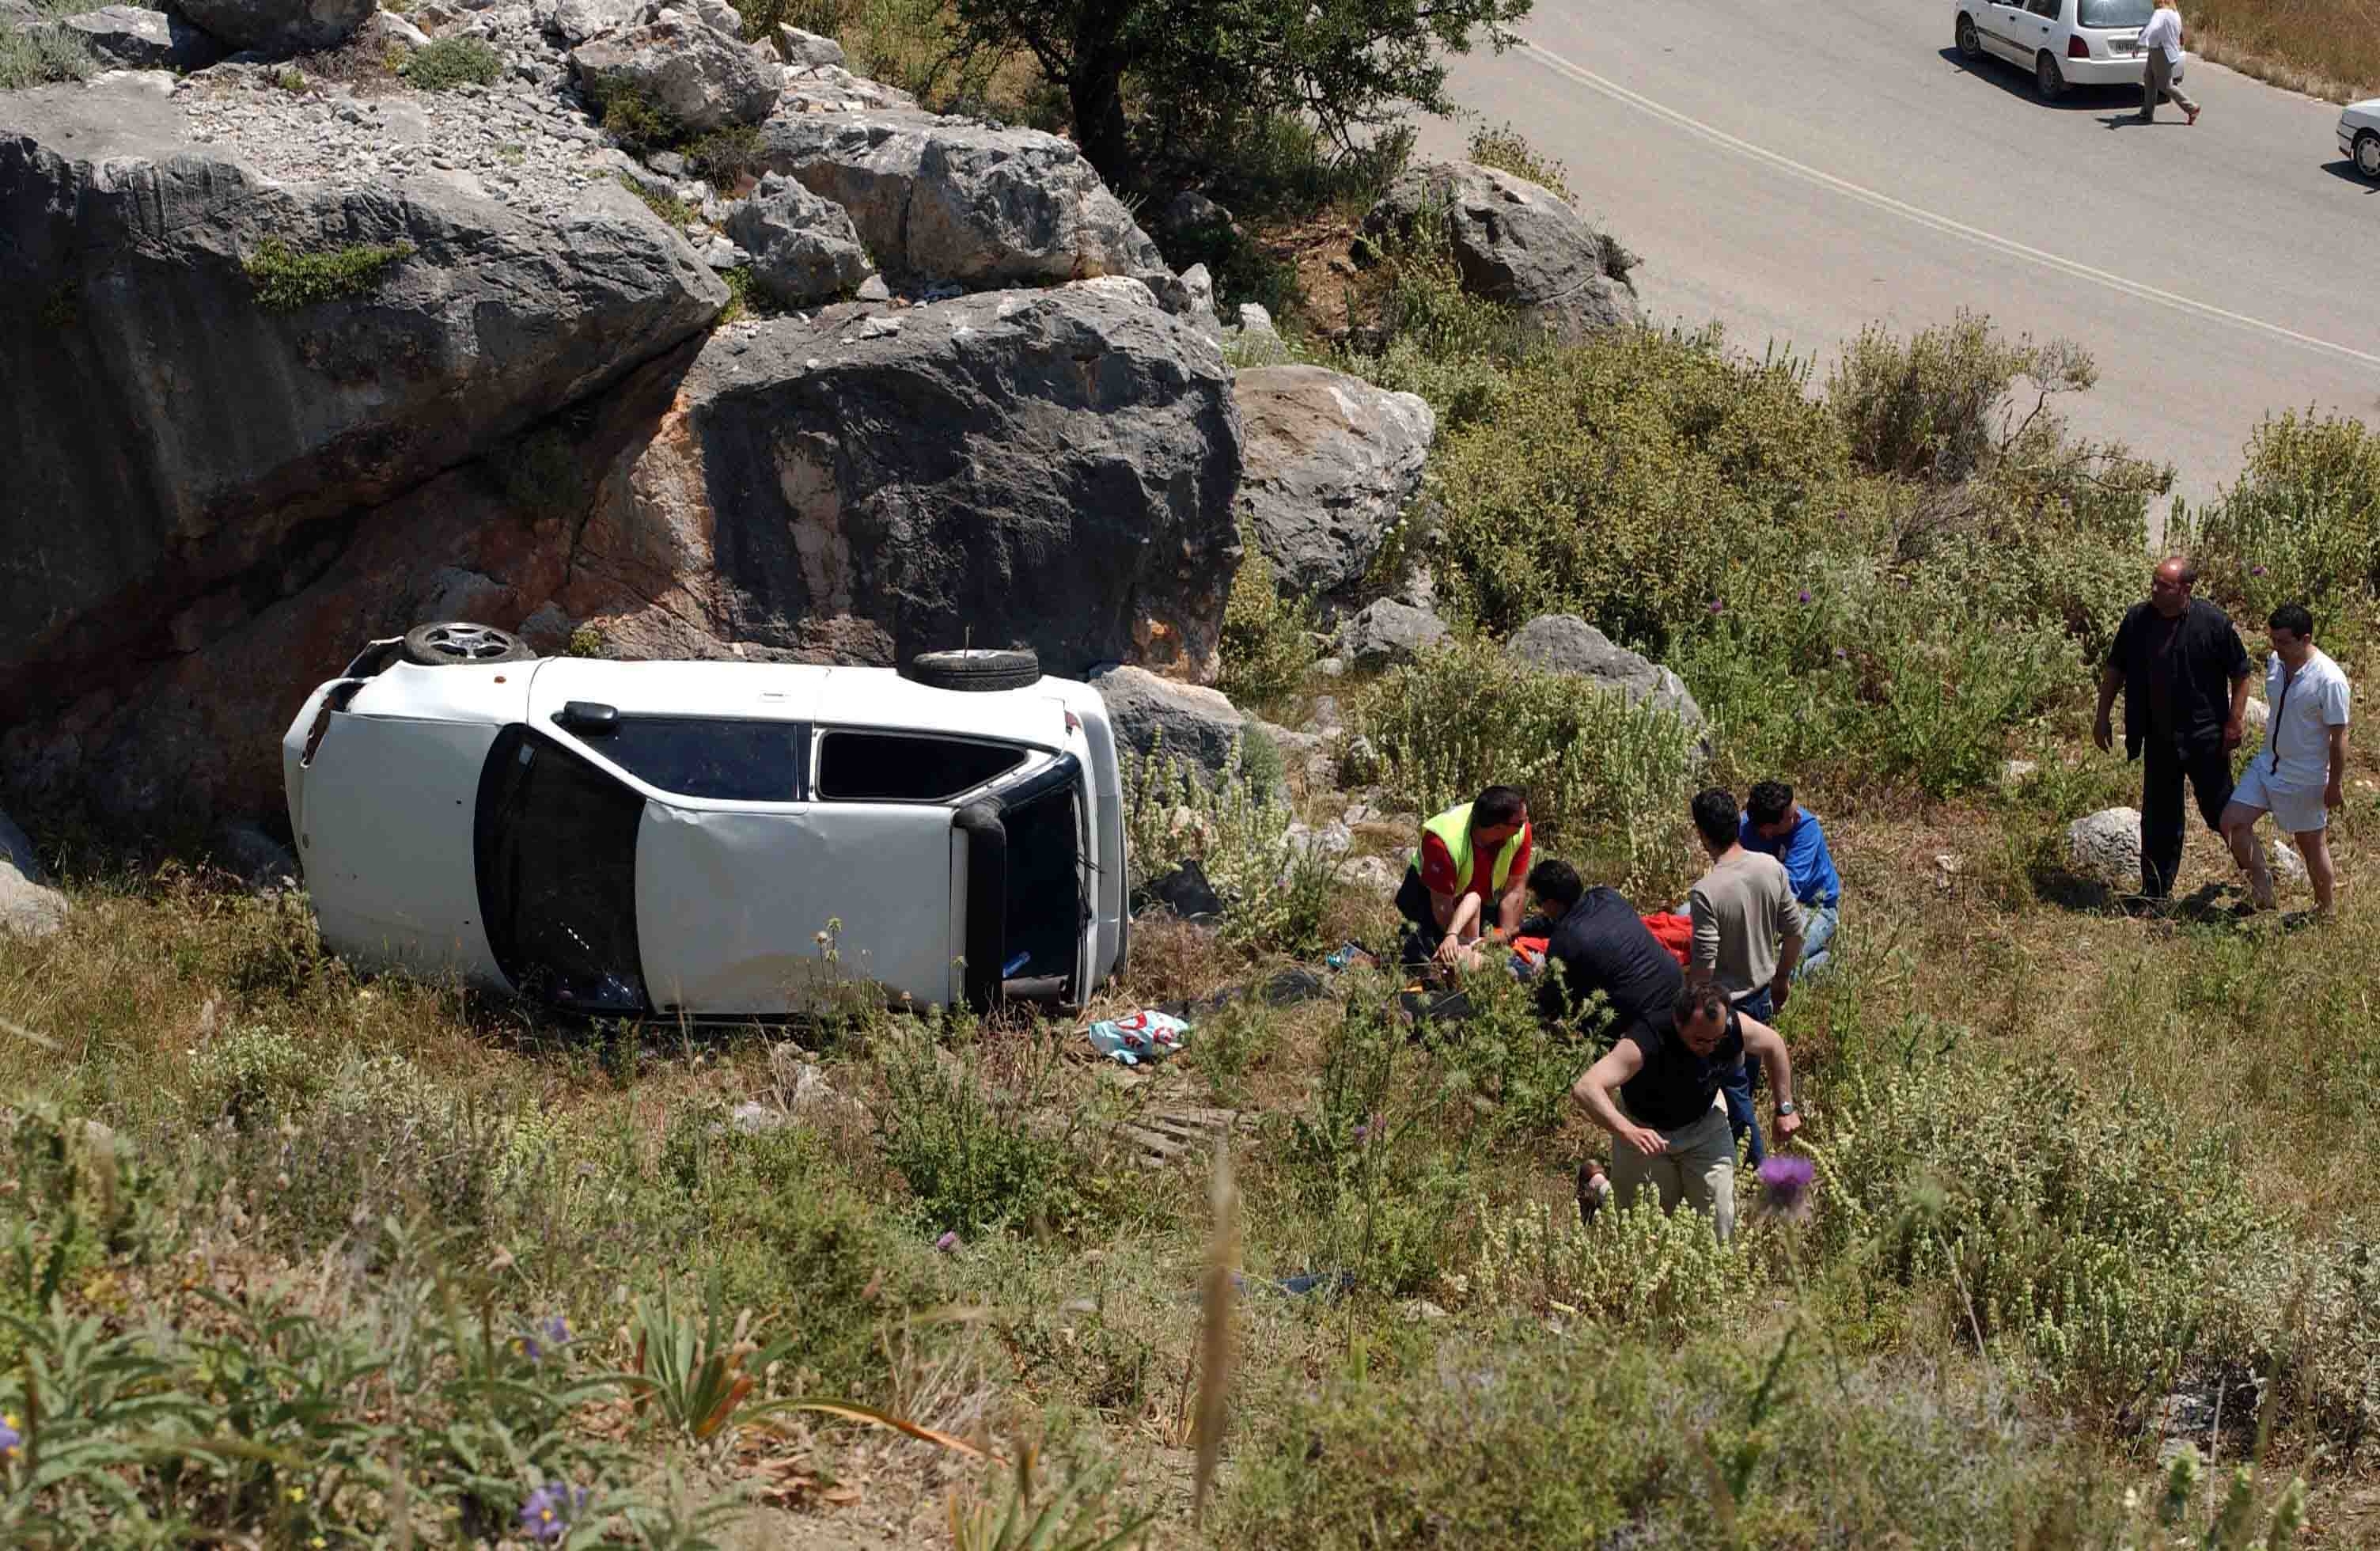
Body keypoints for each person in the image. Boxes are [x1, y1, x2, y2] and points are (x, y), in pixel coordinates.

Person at [1569, 980, 1801, 1243]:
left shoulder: (1731, 1026)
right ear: (1678, 1022)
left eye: (1717, 1039)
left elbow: (1773, 1044)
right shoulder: (1649, 1035)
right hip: (1645, 1132)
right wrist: (1628, 1131)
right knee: (1646, 1228)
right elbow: (1586, 1087)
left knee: (1719, 1224)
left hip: (1705, 1126)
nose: (1710, 1048)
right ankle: (1597, 1186)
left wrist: (1785, 1108)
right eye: (1700, 1040)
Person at [2095, 558, 2257, 903]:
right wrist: (2102, 715)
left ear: (2185, 589)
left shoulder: (2212, 622)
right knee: (2159, 818)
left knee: (2223, 812)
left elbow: (2241, 673)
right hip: (2158, 736)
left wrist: (2235, 720)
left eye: (2163, 585)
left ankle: (2259, 883)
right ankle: (2155, 893)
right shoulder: (2138, 620)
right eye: (2153, 582)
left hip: (2205, 736)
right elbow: (2115, 669)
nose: (2154, 589)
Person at [1686, 787, 1804, 1168]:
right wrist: (1782, 978)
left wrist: (1689, 1005)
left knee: (1737, 1097)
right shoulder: (1770, 868)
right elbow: (1795, 931)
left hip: (1727, 1010)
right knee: (1743, 1087)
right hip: (1763, 997)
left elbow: (1705, 964)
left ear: (1703, 835)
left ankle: (1760, 1173)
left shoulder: (1706, 892)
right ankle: (1738, 1158)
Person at [2219, 604, 2351, 916]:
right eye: (2273, 640)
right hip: (2267, 764)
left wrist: (2334, 785)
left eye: (2283, 642)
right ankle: (2262, 892)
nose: (2276, 648)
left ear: (2305, 639)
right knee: (2232, 823)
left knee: (2310, 845)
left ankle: (2325, 911)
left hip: (2305, 775)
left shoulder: (2329, 680)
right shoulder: (2276, 663)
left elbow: (2340, 737)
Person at [1522, 859, 1684, 1037]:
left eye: (1539, 902)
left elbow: (1552, 1000)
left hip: (1640, 1016)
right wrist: (1519, 929)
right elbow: (1559, 920)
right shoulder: (1606, 896)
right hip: (1675, 987)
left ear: (1552, 903)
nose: (1540, 908)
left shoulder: (1564, 941)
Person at [1395, 786, 1533, 968]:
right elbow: (1442, 906)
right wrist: (1459, 946)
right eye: (1521, 822)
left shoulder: (1519, 832)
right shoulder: (1443, 842)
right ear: (1499, 827)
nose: (1526, 823)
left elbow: (1514, 891)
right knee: (1422, 959)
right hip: (1428, 897)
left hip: (1475, 901)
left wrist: (1506, 939)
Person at [1739, 781, 1841, 980]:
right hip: (1764, 904)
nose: (1799, 816)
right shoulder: (1743, 830)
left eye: (1796, 809)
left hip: (1815, 908)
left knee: (1772, 966)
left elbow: (1789, 890)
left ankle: (1823, 965)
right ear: (1768, 830)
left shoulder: (1806, 829)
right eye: (1791, 817)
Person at [2138, 0, 2200, 126]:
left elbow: (2152, 27)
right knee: (2149, 79)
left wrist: (2139, 43)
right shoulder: (2174, 13)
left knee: (2165, 85)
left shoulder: (2161, 13)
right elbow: (2178, 32)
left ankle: (2192, 107)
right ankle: (2147, 112)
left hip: (2160, 51)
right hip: (2162, 50)